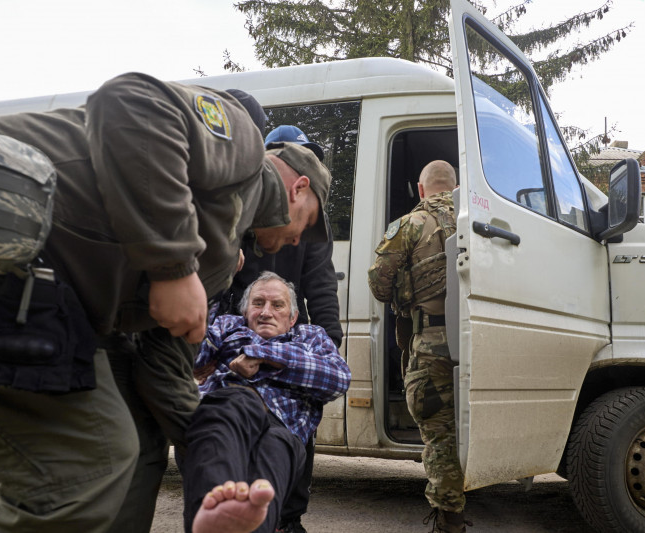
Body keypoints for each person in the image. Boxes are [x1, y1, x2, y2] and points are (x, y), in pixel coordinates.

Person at [0, 71, 330, 533]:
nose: (297, 242)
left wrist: (223, 455)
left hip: (22, 282)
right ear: (298, 188)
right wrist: (171, 267)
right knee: (85, 464)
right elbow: (129, 101)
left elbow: (162, 372)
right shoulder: (243, 146)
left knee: (129, 447)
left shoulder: (219, 255)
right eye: (309, 223)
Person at [223, 124, 341, 533]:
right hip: (240, 339)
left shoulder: (309, 226)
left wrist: (328, 349)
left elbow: (322, 288)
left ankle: (288, 520)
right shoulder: (240, 212)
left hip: (292, 344)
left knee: (295, 432)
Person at [182, 271, 351, 533]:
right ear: (245, 311)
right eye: (258, 303)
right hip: (235, 400)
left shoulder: (310, 337)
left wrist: (262, 356)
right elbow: (189, 357)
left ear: (293, 317)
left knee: (271, 463)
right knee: (219, 423)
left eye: (277, 305)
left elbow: (338, 379)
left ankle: (244, 524)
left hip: (285, 425)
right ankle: (212, 515)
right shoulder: (228, 326)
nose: (266, 312)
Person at [367, 160, 468, 532]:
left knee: (441, 435)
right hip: (486, 339)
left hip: (433, 344)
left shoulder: (410, 225)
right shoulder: (484, 223)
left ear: (421, 190)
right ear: (455, 187)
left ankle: (449, 521)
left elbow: (379, 285)